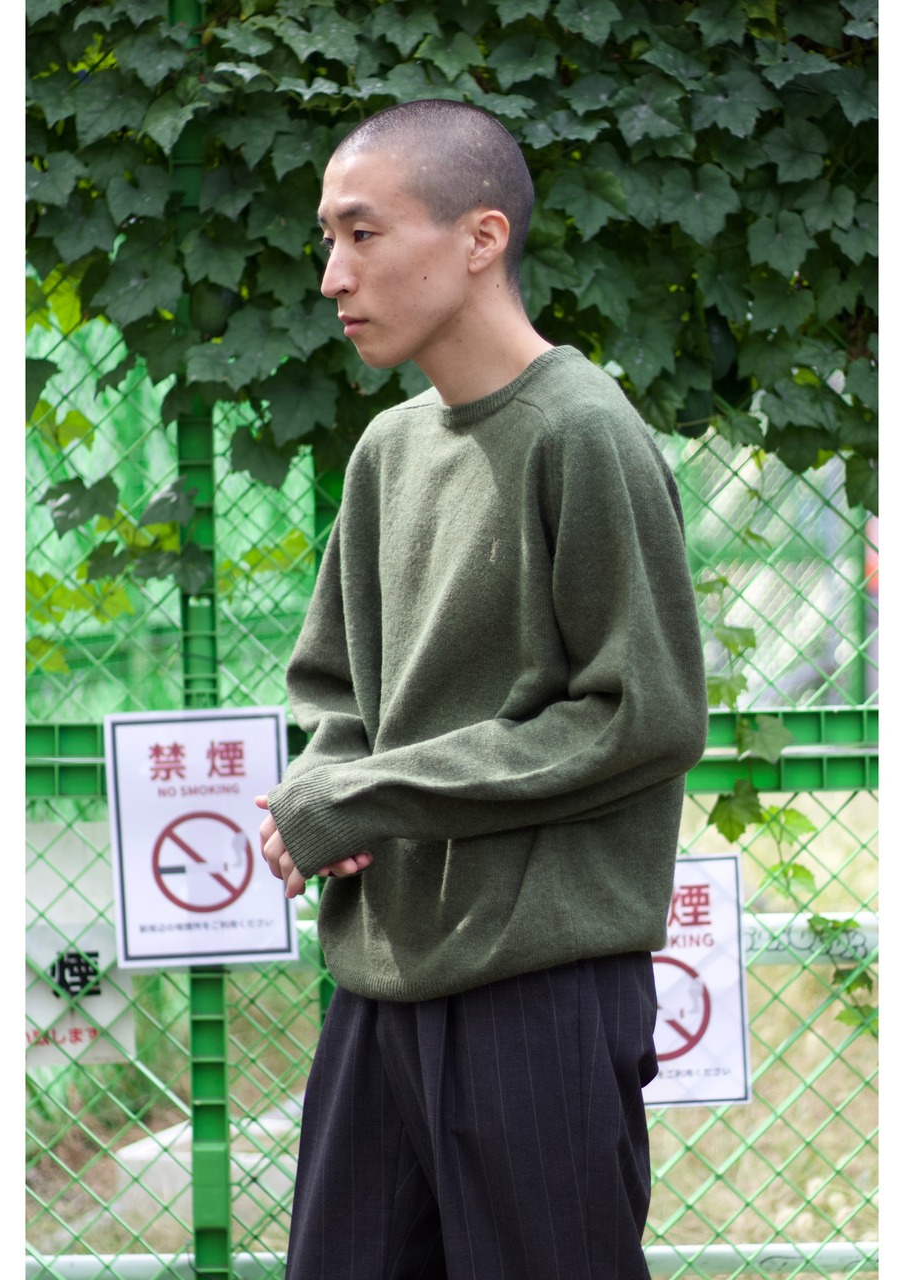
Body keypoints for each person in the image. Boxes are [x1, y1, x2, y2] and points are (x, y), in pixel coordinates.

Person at [254, 99, 709, 1280]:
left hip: (536, 990)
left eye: (362, 234)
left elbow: (637, 712)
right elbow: (336, 687)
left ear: (479, 236)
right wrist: (327, 778)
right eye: (327, 239)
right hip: (381, 982)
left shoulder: (582, 431)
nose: (332, 275)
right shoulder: (389, 450)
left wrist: (372, 795)